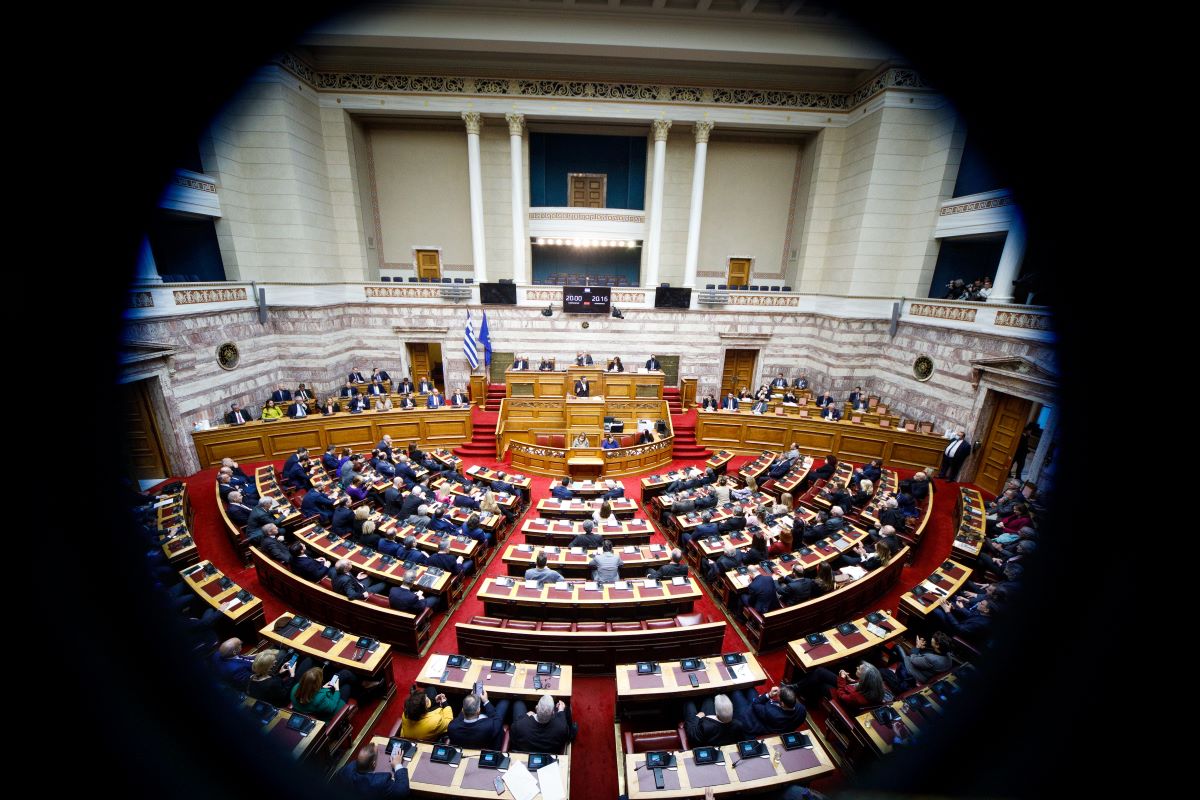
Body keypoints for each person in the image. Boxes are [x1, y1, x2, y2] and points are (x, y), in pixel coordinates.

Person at [796, 661, 885, 710]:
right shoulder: (873, 683)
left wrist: (842, 679)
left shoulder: (857, 697)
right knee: (820, 672)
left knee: (822, 684)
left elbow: (842, 696)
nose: (857, 668)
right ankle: (797, 687)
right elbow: (857, 683)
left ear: (864, 677)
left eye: (859, 669)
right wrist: (850, 680)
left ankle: (810, 702)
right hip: (848, 689)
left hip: (843, 699)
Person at [509, 694, 574, 754]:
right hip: (550, 753)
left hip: (524, 752)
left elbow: (513, 739)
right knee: (567, 709)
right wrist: (561, 711)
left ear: (536, 708)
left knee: (518, 704)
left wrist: (526, 715)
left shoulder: (519, 725)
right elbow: (566, 738)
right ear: (553, 713)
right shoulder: (561, 727)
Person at [337, 744, 410, 798]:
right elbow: (402, 791)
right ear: (374, 764)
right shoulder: (380, 782)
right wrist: (398, 765)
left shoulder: (345, 771)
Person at [730, 684, 806, 735]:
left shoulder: (771, 713)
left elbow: (756, 704)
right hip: (763, 713)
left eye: (778, 696)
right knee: (749, 687)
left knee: (736, 691)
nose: (777, 695)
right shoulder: (802, 709)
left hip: (749, 718)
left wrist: (769, 695)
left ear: (782, 703)